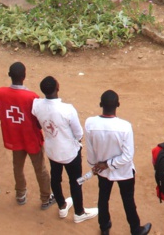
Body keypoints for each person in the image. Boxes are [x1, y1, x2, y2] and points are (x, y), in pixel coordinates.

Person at [85, 90, 153, 235]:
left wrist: (95, 166)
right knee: (128, 200)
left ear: (100, 104)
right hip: (123, 171)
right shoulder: (124, 126)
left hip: (102, 171)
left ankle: (104, 227)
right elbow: (128, 156)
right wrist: (108, 164)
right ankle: (135, 229)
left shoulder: (90, 123)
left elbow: (90, 150)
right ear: (118, 105)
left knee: (103, 198)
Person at [32, 76, 98, 223]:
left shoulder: (36, 105)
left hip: (52, 150)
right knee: (76, 182)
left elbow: (37, 120)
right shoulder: (67, 109)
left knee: (55, 177)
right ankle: (79, 213)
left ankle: (62, 206)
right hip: (69, 152)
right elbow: (79, 134)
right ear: (58, 87)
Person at [0, 62, 52, 208]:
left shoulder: (0, 92)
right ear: (24, 76)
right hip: (30, 138)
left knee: (17, 167)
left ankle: (20, 194)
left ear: (9, 75)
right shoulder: (31, 97)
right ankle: (45, 198)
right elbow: (37, 118)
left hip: (14, 136)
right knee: (40, 168)